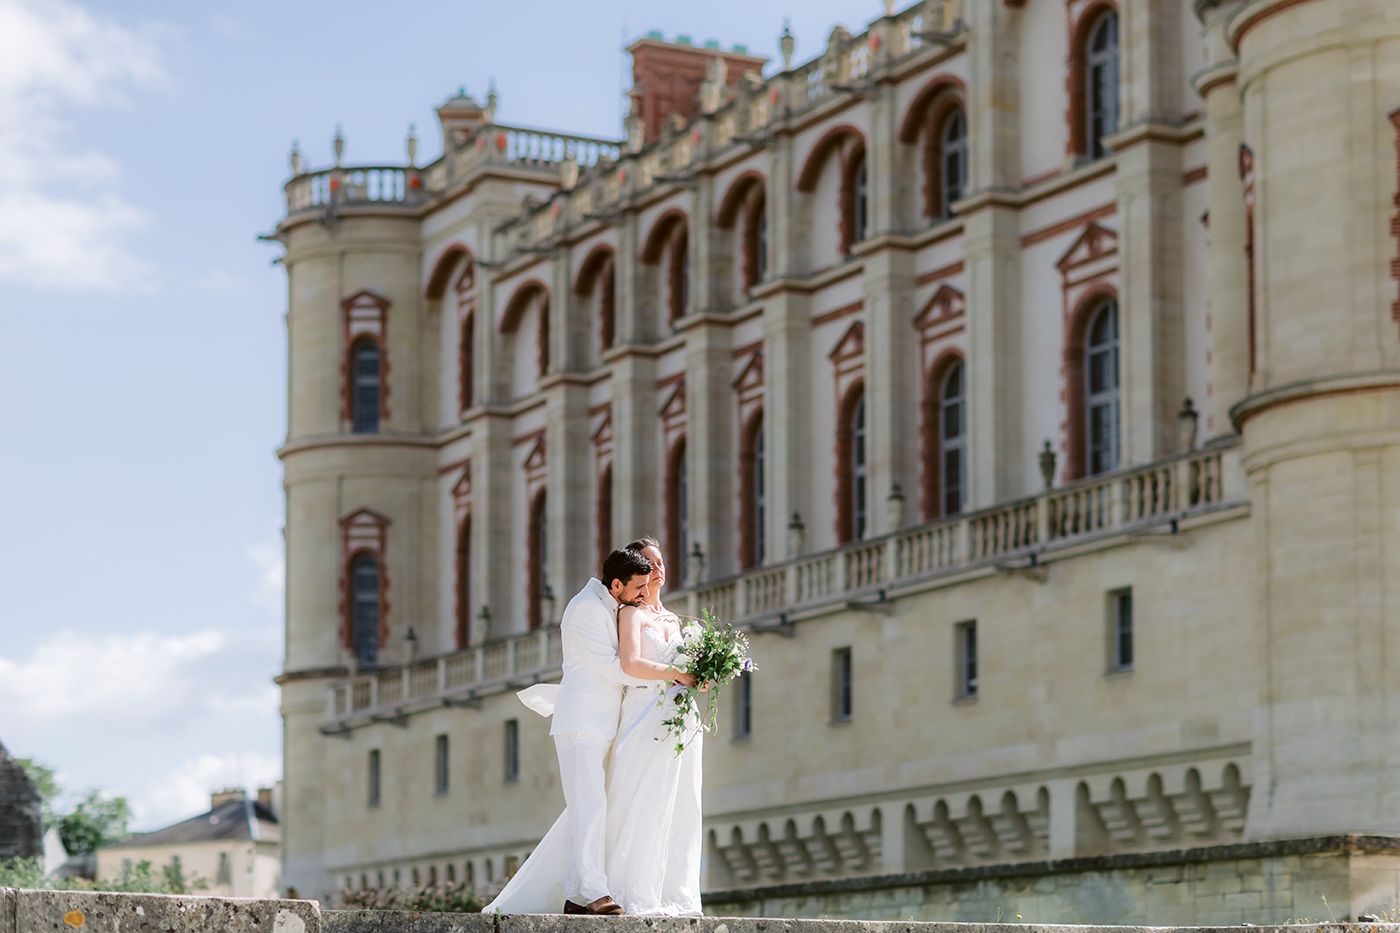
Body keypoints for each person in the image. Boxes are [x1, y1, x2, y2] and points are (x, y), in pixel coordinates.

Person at [482, 548, 695, 915]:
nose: (645, 595)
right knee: (589, 806)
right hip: (583, 723)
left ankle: (577, 897)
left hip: (605, 722)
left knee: (594, 805)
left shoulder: (611, 604)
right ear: (616, 585)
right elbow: (613, 669)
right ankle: (595, 893)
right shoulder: (584, 609)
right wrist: (671, 674)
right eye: (639, 588)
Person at [603, 536, 706, 915]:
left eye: (661, 561)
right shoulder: (630, 613)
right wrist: (680, 673)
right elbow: (630, 665)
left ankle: (676, 895)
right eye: (649, 562)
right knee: (644, 799)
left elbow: (685, 672)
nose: (658, 568)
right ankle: (636, 894)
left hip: (683, 720)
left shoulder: (676, 620)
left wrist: (703, 674)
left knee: (682, 802)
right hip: (646, 716)